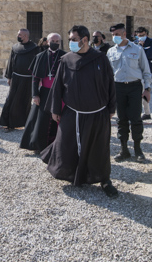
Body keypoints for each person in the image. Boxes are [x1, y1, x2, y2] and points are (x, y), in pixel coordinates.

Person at [40, 25, 119, 198]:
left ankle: (104, 180)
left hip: (98, 113)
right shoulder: (66, 59)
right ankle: (71, 174)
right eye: (69, 40)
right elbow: (58, 86)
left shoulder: (100, 59)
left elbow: (110, 84)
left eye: (73, 40)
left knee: (99, 148)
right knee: (67, 144)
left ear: (84, 39)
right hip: (72, 112)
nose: (70, 43)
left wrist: (111, 108)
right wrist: (55, 109)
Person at [106, 23, 152, 161]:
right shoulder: (111, 52)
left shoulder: (137, 49)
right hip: (118, 88)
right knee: (121, 119)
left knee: (136, 119)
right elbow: (108, 74)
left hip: (134, 87)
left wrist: (147, 89)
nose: (115, 37)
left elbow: (146, 70)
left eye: (117, 34)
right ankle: (124, 149)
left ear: (124, 34)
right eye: (113, 35)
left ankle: (138, 149)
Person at [20, 33, 66, 153]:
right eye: (52, 40)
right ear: (47, 41)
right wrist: (35, 94)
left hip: (60, 93)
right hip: (44, 92)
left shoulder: (65, 56)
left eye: (57, 41)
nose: (55, 43)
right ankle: (39, 145)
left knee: (60, 118)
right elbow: (35, 78)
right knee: (41, 119)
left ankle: (59, 145)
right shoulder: (40, 56)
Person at [0, 29, 38, 132]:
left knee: (25, 102)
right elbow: (11, 62)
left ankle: (26, 123)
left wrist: (37, 80)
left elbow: (37, 65)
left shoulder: (34, 48)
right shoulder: (15, 47)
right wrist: (9, 77)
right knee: (10, 100)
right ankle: (8, 124)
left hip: (28, 79)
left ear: (26, 36)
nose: (18, 36)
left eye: (20, 35)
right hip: (16, 78)